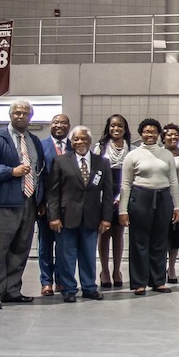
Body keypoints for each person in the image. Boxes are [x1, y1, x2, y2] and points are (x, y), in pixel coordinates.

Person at [0, 100, 47, 310]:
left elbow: (39, 172)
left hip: (28, 203)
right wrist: (10, 172)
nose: (21, 116)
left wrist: (39, 200)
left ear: (30, 117)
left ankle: (11, 291)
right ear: (10, 115)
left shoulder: (34, 141)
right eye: (17, 113)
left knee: (20, 250)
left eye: (25, 113)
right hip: (1, 204)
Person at [46, 125, 113, 303]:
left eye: (83, 139)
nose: (80, 142)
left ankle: (89, 287)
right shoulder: (61, 161)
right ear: (71, 141)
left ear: (90, 141)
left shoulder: (102, 162)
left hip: (92, 217)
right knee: (66, 255)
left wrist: (106, 218)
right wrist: (54, 217)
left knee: (89, 254)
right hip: (66, 217)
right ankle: (68, 289)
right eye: (76, 139)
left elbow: (107, 194)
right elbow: (53, 192)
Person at [119, 118, 179, 295]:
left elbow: (173, 182)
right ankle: (139, 283)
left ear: (158, 134)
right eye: (146, 131)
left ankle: (158, 280)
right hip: (140, 198)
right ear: (141, 134)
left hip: (163, 198)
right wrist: (123, 210)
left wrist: (177, 206)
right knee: (139, 241)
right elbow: (125, 184)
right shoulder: (132, 155)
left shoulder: (167, 155)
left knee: (160, 241)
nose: (150, 135)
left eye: (153, 132)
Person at [94, 114, 131, 289]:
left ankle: (117, 270)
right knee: (104, 232)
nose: (116, 129)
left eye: (120, 126)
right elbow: (94, 173)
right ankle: (105, 271)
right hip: (104, 192)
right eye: (112, 126)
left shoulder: (131, 148)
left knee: (119, 233)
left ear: (125, 129)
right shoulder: (100, 147)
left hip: (123, 191)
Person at [37, 113, 71, 297]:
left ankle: (62, 280)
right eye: (56, 122)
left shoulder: (75, 146)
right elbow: (38, 176)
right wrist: (40, 202)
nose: (59, 125)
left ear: (69, 126)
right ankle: (46, 282)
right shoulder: (40, 146)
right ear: (50, 124)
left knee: (64, 245)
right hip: (46, 205)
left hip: (68, 205)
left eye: (63, 123)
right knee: (45, 244)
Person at [162, 123, 179, 283]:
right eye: (169, 135)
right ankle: (160, 266)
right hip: (164, 194)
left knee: (176, 235)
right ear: (163, 138)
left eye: (176, 134)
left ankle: (171, 267)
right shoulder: (158, 153)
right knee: (162, 234)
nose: (173, 137)